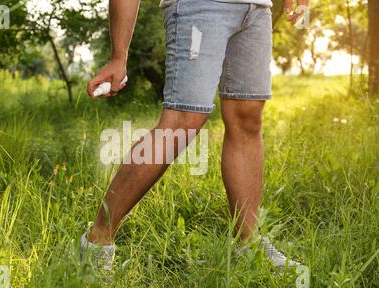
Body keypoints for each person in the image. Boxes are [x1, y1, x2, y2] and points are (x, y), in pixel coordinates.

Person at [83, 0, 309, 271]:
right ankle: (96, 242)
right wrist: (119, 55)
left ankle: (249, 246)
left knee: (247, 118)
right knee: (181, 122)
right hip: (200, 8)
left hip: (256, 9)